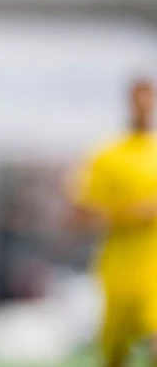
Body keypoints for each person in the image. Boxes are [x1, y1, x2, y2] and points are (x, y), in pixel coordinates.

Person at [72, 78, 157, 367]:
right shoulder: (107, 155)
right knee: (115, 352)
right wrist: (130, 213)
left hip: (154, 268)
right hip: (118, 270)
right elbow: (81, 212)